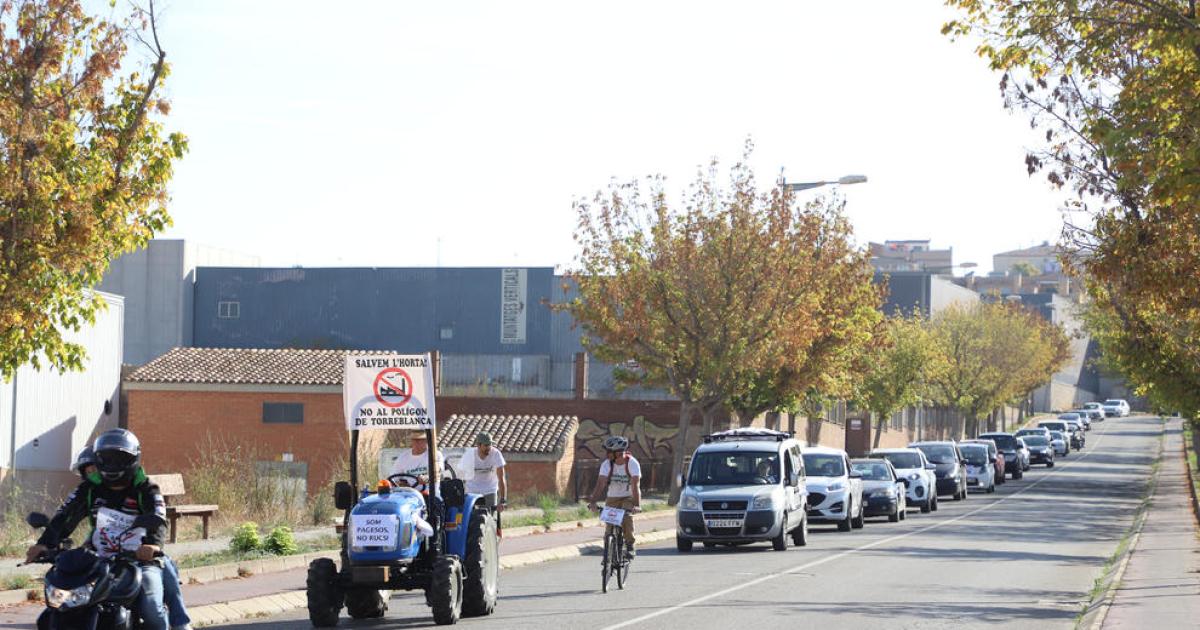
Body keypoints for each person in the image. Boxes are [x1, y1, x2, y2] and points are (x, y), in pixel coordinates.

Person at [28, 430, 170, 630]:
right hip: (97, 559)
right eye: (107, 459)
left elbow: (158, 518)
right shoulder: (89, 489)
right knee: (60, 606)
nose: (112, 465)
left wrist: (152, 544)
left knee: (151, 607)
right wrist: (45, 543)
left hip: (136, 559)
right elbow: (66, 516)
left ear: (133, 459)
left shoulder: (146, 488)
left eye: (119, 458)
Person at [70, 444, 193, 630]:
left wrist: (152, 545)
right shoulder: (93, 494)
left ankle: (180, 623)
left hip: (139, 554)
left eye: (95, 469)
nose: (94, 474)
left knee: (163, 571)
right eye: (88, 472)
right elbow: (85, 526)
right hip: (106, 559)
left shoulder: (137, 489)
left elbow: (157, 519)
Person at [587, 436, 641, 559]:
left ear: (618, 453)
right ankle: (608, 554)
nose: (607, 454)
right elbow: (600, 483)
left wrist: (637, 505)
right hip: (612, 498)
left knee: (626, 517)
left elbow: (635, 486)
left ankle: (630, 545)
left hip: (628, 497)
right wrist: (593, 502)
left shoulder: (632, 463)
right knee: (609, 527)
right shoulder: (607, 464)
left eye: (609, 452)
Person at [459, 431, 507, 510]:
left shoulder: (496, 454)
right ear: (478, 445)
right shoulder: (469, 455)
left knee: (491, 518)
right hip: (472, 491)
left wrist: (502, 500)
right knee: (470, 517)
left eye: (490, 444)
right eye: (486, 445)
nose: (489, 447)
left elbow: (501, 478)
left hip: (490, 490)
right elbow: (461, 476)